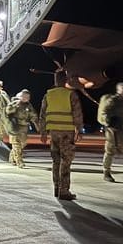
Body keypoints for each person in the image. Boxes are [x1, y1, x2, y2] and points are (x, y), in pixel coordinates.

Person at [39, 72, 84, 200]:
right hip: (66, 132)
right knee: (66, 161)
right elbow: (77, 114)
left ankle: (57, 188)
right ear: (66, 80)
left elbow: (42, 115)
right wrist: (79, 130)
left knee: (56, 160)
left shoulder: (48, 95)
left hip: (53, 132)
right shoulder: (70, 94)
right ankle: (64, 191)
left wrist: (42, 132)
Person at [5, 89, 38, 168]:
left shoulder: (28, 105)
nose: (26, 98)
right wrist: (16, 105)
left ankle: (12, 157)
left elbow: (33, 114)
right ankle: (19, 161)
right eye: (25, 96)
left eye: (28, 97)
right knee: (16, 144)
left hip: (24, 127)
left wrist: (36, 123)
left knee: (23, 144)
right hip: (14, 126)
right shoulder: (14, 103)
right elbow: (8, 111)